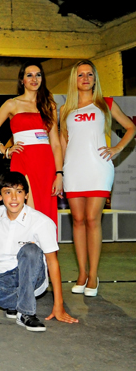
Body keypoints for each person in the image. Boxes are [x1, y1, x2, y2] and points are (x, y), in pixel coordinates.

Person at [0, 171, 78, 331]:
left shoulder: (41, 222)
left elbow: (52, 261)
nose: (14, 198)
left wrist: (59, 305)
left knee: (30, 250)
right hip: (5, 271)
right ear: (0, 196)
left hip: (34, 274)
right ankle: (19, 304)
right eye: (8, 192)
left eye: (19, 192)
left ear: (26, 195)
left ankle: (26, 313)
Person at [60, 60, 135, 297]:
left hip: (98, 168)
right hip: (74, 169)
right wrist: (60, 171)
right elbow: (63, 142)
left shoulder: (105, 103)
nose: (85, 78)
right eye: (80, 74)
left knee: (93, 219)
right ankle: (82, 274)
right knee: (78, 220)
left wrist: (117, 148)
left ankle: (93, 275)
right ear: (74, 79)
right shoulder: (65, 109)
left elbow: (131, 128)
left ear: (95, 79)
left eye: (89, 74)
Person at [0, 61, 63, 226]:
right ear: (22, 80)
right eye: (29, 75)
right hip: (22, 160)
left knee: (45, 214)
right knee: (28, 211)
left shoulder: (49, 105)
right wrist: (4, 150)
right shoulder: (11, 104)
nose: (34, 79)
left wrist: (59, 174)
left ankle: (45, 244)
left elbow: (56, 144)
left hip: (46, 164)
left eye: (38, 75)